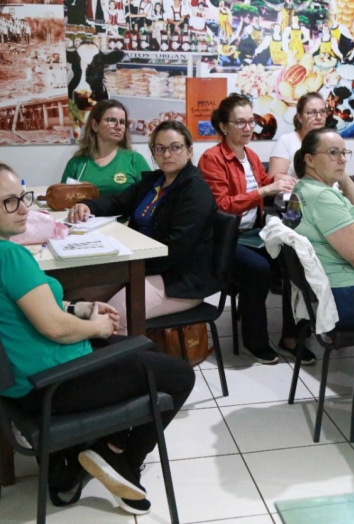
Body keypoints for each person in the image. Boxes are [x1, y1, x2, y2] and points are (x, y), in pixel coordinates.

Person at [0, 163, 194, 515]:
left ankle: (75, 462)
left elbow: (31, 308)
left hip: (19, 385)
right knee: (180, 375)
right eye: (9, 202)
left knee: (145, 350)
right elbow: (54, 328)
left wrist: (78, 307)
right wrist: (96, 328)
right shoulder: (9, 255)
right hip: (52, 384)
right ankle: (118, 459)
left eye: (22, 198)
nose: (25, 208)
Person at [67, 121, 218, 334]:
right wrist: (87, 205)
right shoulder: (155, 180)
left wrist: (127, 268)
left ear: (189, 151)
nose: (167, 154)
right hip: (141, 265)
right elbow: (118, 202)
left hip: (179, 280)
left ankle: (126, 365)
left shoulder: (195, 190)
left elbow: (175, 249)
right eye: (160, 148)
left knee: (113, 316)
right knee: (76, 297)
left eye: (175, 147)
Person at [198, 94, 316, 365]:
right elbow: (222, 205)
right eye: (240, 122)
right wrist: (264, 189)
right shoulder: (212, 158)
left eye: (251, 121)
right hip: (226, 239)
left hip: (254, 234)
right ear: (224, 126)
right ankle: (255, 340)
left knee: (295, 259)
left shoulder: (250, 155)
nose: (248, 127)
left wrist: (278, 180)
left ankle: (291, 337)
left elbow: (263, 183)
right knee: (258, 270)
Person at [284, 128, 354, 329]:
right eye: (333, 153)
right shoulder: (323, 197)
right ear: (309, 160)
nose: (342, 159)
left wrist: (341, 176)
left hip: (332, 289)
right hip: (347, 294)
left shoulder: (304, 187)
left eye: (344, 153)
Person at [61, 99, 150, 197]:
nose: (119, 127)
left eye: (122, 122)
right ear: (95, 125)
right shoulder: (77, 164)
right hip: (86, 212)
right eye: (111, 120)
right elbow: (63, 201)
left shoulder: (135, 160)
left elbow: (152, 198)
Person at [269, 92, 327, 180]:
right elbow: (273, 179)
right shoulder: (287, 141)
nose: (319, 117)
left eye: (322, 111)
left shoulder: (330, 141)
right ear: (300, 117)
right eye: (311, 112)